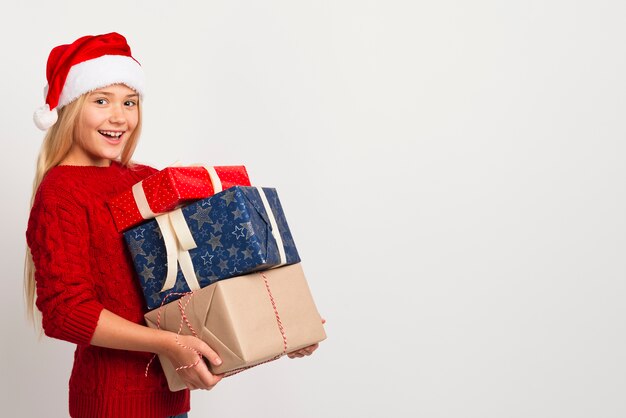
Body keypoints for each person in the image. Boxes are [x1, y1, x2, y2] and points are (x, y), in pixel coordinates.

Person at [24, 32, 319, 418]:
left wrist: (282, 326)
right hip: (112, 404)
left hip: (171, 398)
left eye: (129, 102)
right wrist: (168, 343)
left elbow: (204, 272)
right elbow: (66, 312)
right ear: (69, 108)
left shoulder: (145, 181)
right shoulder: (61, 192)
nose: (119, 116)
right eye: (101, 101)